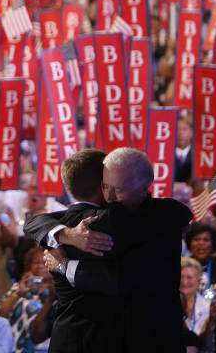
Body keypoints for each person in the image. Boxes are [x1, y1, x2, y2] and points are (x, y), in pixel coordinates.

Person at [31, 148, 193, 352]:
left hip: (154, 339)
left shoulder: (162, 218)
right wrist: (68, 235)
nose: (110, 196)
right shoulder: (88, 221)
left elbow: (120, 281)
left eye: (119, 189)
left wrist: (63, 265)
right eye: (106, 186)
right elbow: (38, 221)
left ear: (145, 187)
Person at [0, 247, 53, 352]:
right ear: (29, 266)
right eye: (36, 263)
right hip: (17, 345)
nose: (40, 266)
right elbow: (1, 315)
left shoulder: (57, 290)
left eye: (44, 262)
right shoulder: (18, 287)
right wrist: (19, 293)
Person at [181, 257, 211, 337]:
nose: (184, 281)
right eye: (180, 277)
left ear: (198, 280)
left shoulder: (208, 307)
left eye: (189, 277)